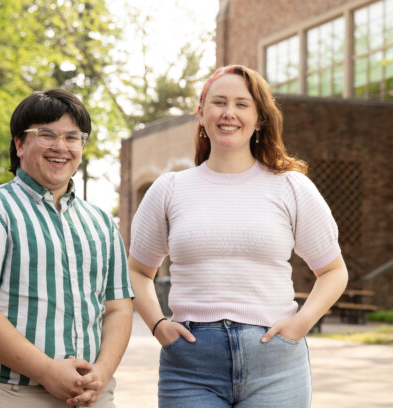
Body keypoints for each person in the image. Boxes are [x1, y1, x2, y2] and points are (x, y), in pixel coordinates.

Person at [129, 65, 349, 407]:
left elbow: (334, 271)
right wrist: (158, 325)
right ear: (201, 115)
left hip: (276, 364)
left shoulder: (291, 187)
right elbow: (138, 271)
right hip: (190, 367)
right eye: (218, 102)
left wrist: (299, 326)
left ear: (260, 119)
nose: (229, 113)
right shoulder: (170, 189)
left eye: (242, 104)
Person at [0, 90, 135, 408]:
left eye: (73, 137)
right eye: (46, 135)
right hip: (3, 394)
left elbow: (118, 308)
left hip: (89, 397)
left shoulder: (101, 222)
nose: (61, 147)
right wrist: (47, 371)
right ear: (19, 144)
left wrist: (102, 372)